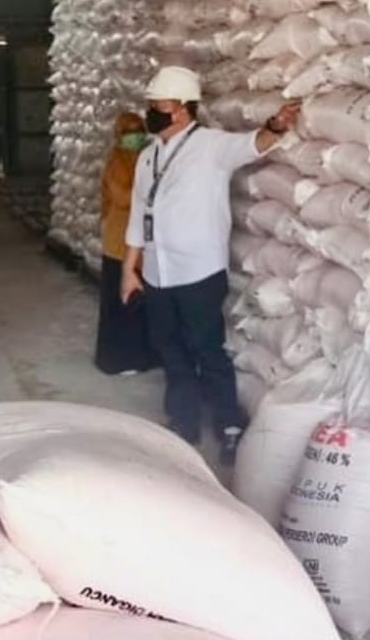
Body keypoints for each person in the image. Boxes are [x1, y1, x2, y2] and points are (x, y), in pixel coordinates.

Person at [121, 65, 300, 463]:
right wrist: (129, 270)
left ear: (182, 108)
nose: (151, 112)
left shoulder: (211, 147)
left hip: (198, 271)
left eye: (158, 105)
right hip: (157, 271)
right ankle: (183, 420)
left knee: (206, 349)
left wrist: (277, 124)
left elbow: (254, 143)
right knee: (170, 349)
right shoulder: (147, 157)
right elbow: (138, 215)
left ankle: (229, 424)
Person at [95, 111, 156, 376]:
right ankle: (117, 359)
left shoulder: (149, 158)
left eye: (139, 130)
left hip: (142, 245)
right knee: (119, 302)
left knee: (142, 304)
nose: (136, 136)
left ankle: (142, 356)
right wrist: (149, 192)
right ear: (120, 136)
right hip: (119, 243)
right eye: (129, 132)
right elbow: (121, 198)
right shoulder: (116, 163)